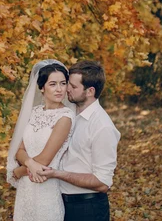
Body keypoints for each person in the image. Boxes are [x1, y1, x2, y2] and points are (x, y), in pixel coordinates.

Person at [39, 60, 121, 221]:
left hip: (87, 208)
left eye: (73, 86)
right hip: (59, 203)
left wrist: (58, 174)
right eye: (68, 83)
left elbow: (102, 182)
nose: (67, 89)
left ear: (90, 91)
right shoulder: (67, 112)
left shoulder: (102, 126)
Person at [6, 59, 76, 221]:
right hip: (26, 189)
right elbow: (19, 149)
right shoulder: (34, 112)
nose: (59, 89)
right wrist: (29, 164)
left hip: (46, 188)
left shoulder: (65, 117)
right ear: (41, 87)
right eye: (53, 84)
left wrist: (18, 172)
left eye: (63, 83)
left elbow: (45, 159)